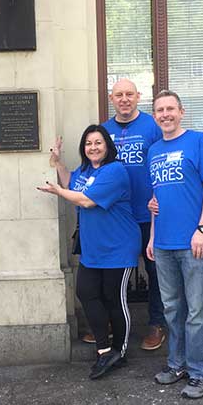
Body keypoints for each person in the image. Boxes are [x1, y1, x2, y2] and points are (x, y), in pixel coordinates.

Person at [39, 125, 141, 380]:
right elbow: (70, 182)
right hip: (93, 248)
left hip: (118, 247)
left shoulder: (115, 170)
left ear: (107, 146)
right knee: (86, 292)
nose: (93, 147)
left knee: (115, 299)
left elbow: (86, 200)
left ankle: (120, 350)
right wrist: (57, 160)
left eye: (98, 142)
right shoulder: (85, 171)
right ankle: (104, 350)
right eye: (88, 144)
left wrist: (58, 192)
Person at [146, 90, 203, 399]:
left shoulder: (198, 141)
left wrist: (202, 228)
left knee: (197, 311)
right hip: (163, 243)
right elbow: (156, 200)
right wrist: (152, 237)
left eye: (170, 109)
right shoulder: (153, 151)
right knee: (172, 309)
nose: (165, 114)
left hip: (195, 243)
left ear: (181, 112)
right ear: (155, 117)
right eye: (159, 110)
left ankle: (202, 372)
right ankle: (176, 364)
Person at [103, 78, 165, 350]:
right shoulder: (104, 131)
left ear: (138, 96)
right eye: (119, 95)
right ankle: (109, 324)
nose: (124, 99)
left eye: (129, 94)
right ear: (111, 98)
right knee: (114, 272)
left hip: (149, 214)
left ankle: (156, 324)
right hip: (117, 217)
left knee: (155, 271)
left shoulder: (152, 126)